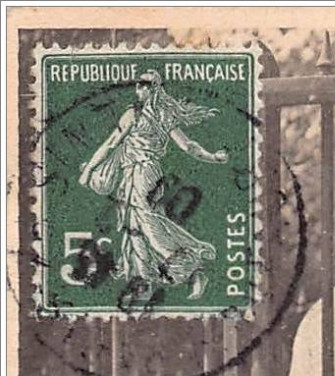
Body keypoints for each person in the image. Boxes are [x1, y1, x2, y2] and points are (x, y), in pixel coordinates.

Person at [78, 71, 227, 301]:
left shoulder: (147, 115)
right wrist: (213, 156)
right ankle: (146, 280)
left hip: (144, 173)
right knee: (135, 224)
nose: (139, 89)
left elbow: (187, 146)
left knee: (147, 223)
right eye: (138, 85)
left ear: (155, 87)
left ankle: (189, 261)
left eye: (144, 85)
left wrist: (212, 157)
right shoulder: (143, 113)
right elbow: (112, 144)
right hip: (135, 173)